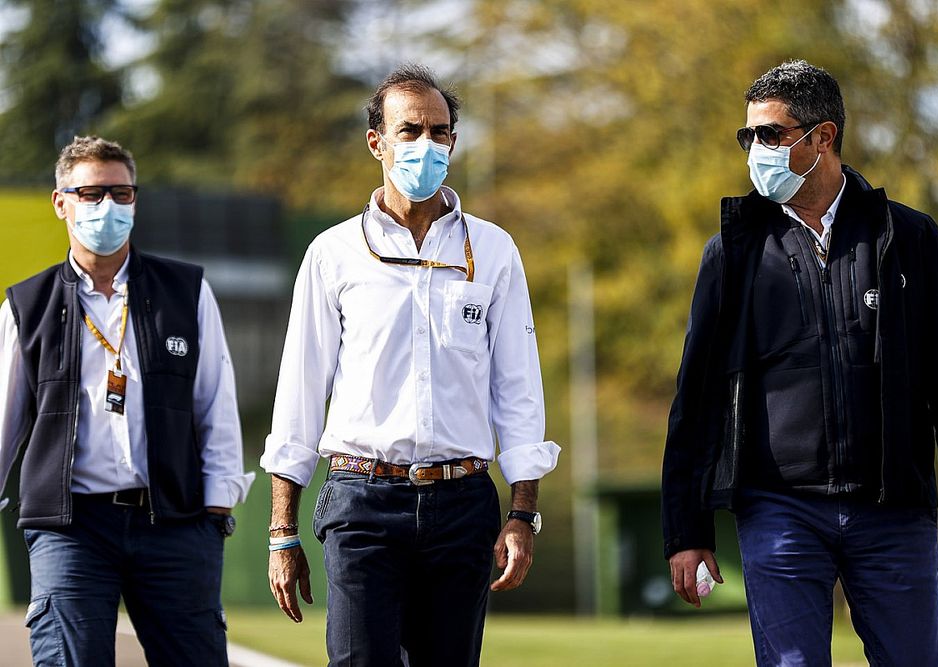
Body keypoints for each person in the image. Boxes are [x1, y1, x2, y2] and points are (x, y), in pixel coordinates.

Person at [660, 60, 938, 666]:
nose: (754, 150)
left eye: (770, 135)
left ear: (823, 138)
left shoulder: (909, 237)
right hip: (778, 512)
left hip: (893, 510)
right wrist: (686, 532)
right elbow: (697, 399)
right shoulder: (732, 254)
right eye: (748, 136)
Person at [261, 64, 560, 667]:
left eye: (440, 131)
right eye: (410, 130)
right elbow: (299, 392)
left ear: (453, 140)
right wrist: (282, 531)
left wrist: (522, 512)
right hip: (360, 500)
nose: (427, 144)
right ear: (377, 142)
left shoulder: (494, 250)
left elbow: (520, 389)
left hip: (464, 500)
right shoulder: (334, 252)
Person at [0, 136, 254, 666]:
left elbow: (215, 404)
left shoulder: (185, 291)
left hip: (174, 523)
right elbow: (4, 422)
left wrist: (217, 505)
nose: (107, 207)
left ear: (135, 200)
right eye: (91, 193)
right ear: (60, 202)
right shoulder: (28, 304)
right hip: (71, 527)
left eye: (121, 193)